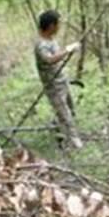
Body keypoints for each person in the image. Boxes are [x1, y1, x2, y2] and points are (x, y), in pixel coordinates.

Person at [34, 10, 83, 149]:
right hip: (53, 87)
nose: (59, 27)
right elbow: (49, 60)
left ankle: (58, 134)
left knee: (69, 111)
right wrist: (68, 50)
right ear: (51, 26)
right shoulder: (41, 45)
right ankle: (76, 145)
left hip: (62, 82)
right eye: (57, 24)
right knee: (66, 117)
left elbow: (57, 57)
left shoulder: (52, 41)